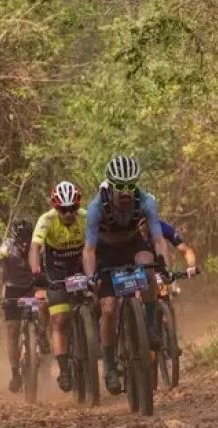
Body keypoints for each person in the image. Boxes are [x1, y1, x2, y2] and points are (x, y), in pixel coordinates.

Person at [82, 155, 169, 394]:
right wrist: (91, 277)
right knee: (108, 308)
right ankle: (109, 366)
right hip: (105, 252)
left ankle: (150, 326)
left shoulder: (146, 201)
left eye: (130, 186)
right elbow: (88, 250)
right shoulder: (95, 207)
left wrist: (163, 264)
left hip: (132, 246)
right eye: (119, 187)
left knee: (148, 264)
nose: (125, 193)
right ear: (110, 186)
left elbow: (159, 239)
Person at [29, 181, 87, 392]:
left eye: (73, 208)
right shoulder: (46, 220)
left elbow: (95, 246)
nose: (69, 213)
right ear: (56, 207)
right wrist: (37, 272)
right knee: (60, 319)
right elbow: (35, 248)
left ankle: (93, 343)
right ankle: (63, 369)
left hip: (81, 268)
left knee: (100, 303)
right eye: (63, 209)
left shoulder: (86, 217)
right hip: (56, 273)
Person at [0, 219, 49, 393]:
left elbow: (49, 269)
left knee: (43, 304)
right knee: (12, 329)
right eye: (22, 238)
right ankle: (15, 373)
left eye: (28, 237)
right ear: (14, 238)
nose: (26, 242)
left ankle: (41, 334)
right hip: (12, 290)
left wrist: (47, 287)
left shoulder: (39, 247)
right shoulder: (5, 249)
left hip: (32, 287)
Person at [139, 218, 198, 288]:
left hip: (158, 264)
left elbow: (186, 250)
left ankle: (167, 283)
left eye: (144, 225)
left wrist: (192, 266)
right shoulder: (126, 233)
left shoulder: (161, 227)